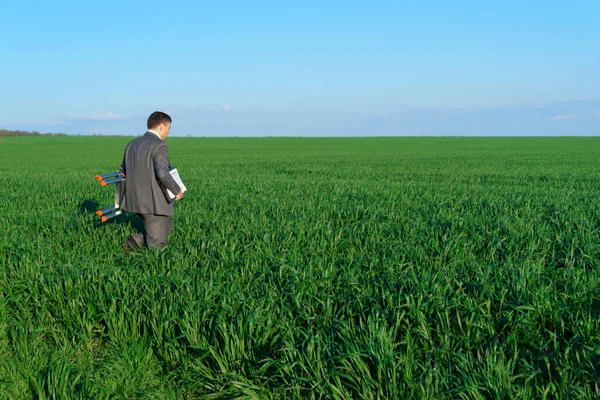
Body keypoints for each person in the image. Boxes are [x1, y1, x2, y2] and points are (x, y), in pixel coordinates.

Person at [120, 111, 183, 251]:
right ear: (161, 127)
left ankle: (135, 241)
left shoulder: (132, 144)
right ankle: (156, 268)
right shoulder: (159, 145)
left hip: (133, 201)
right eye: (169, 128)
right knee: (157, 248)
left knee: (167, 226)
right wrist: (176, 190)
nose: (168, 132)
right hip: (152, 204)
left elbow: (123, 170)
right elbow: (162, 173)